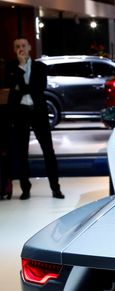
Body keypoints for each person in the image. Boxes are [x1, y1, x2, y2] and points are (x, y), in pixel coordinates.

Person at [6, 37, 63, 200]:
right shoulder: (11, 67)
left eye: (23, 45)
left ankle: (55, 188)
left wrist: (21, 87)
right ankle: (25, 189)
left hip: (38, 113)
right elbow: (12, 85)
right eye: (17, 46)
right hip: (20, 113)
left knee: (48, 151)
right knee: (22, 152)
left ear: (30, 47)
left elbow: (38, 88)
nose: (20, 48)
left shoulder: (40, 67)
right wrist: (21, 67)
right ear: (14, 49)